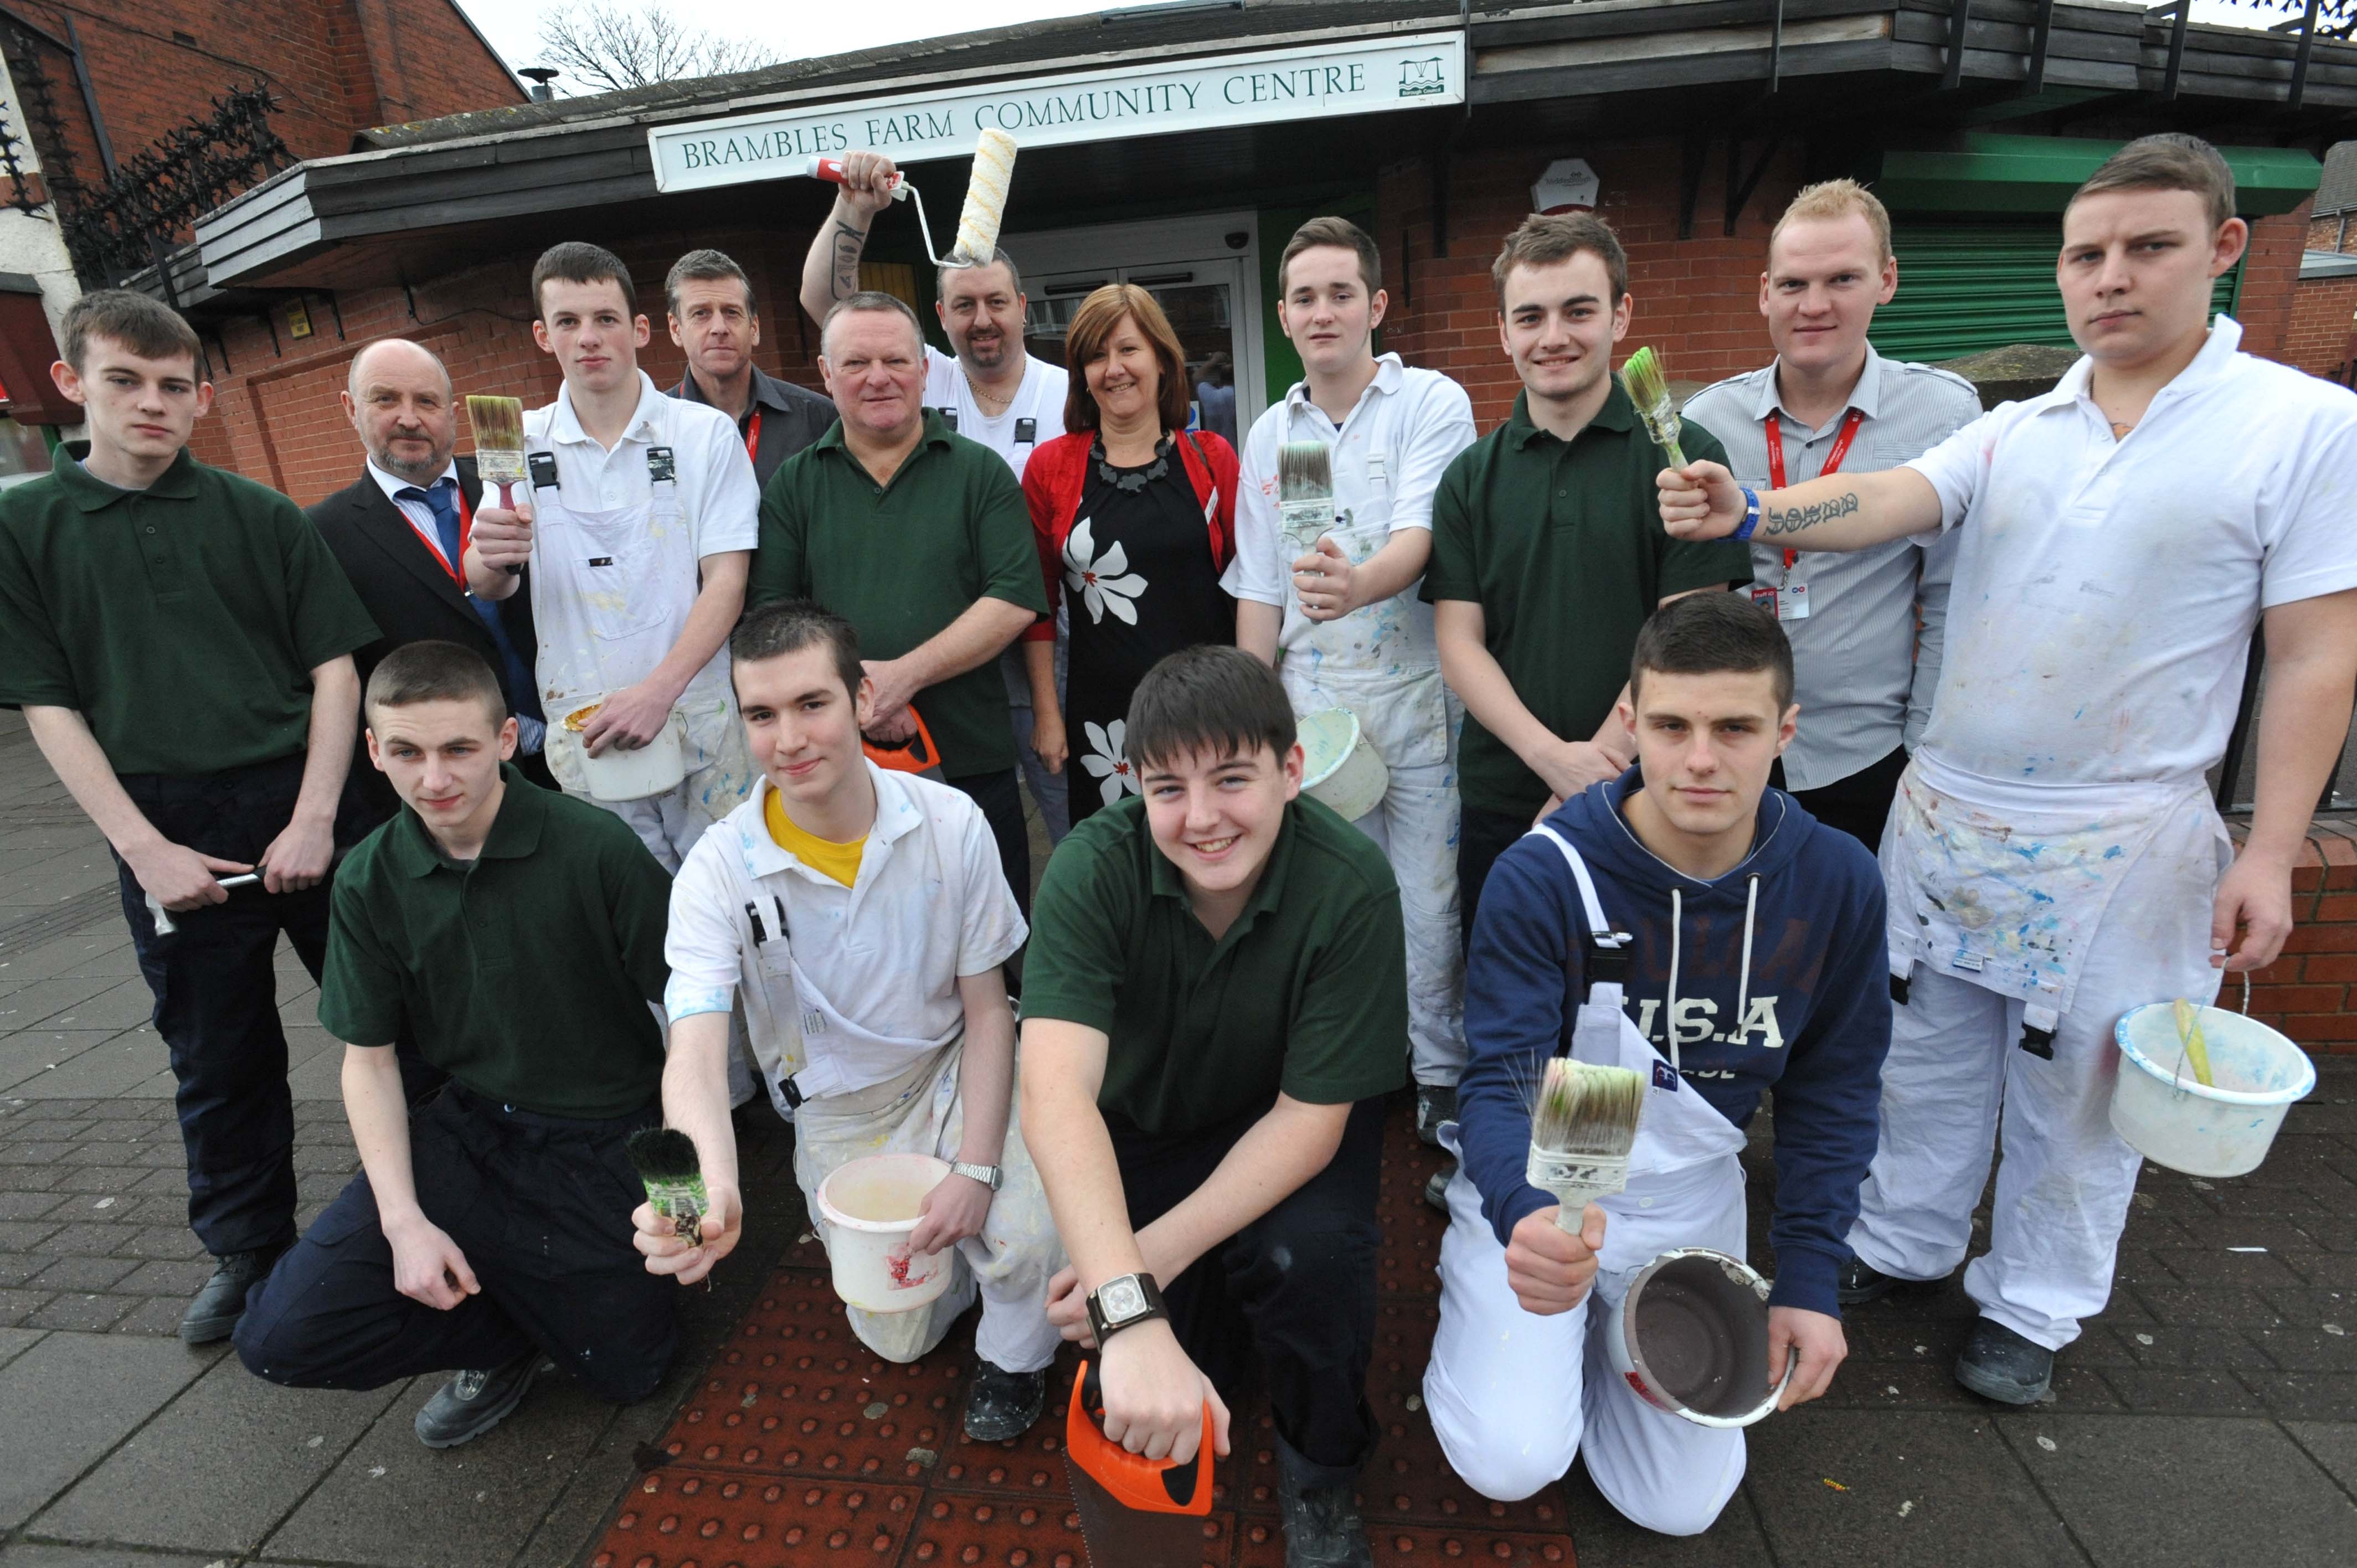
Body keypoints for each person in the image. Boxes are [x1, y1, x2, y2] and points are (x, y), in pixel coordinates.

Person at [1657, 134, 2357, 1405]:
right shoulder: (2017, 428)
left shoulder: (2303, 429)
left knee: (2078, 1089)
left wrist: (2268, 847)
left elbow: (2317, 653)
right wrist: (1753, 512)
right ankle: (1902, 1238)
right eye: (2087, 254)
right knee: (1917, 1058)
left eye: (2149, 247)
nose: (2111, 278)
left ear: (2225, 248)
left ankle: (2034, 1304)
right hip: (1952, 803)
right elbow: (1886, 498)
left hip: (2126, 829)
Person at [1426, 591, 1888, 1536]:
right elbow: (1502, 1078)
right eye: (1672, 725)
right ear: (1631, 723)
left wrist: (1807, 1279)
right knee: (1511, 1460)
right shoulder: (1546, 871)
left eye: (1735, 727)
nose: (1702, 759)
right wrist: (1526, 1219)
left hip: (1687, 1189)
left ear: (1785, 729)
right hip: (1556, 1169)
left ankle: (1598, 1340)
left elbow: (1833, 1091)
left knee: (1679, 1506)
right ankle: (1502, 1303)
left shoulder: (1838, 878)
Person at [0, 290, 375, 1346]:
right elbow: (48, 703)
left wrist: (314, 819)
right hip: (164, 820)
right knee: (217, 1054)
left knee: (397, 1018)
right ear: (74, 384)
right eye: (125, 381)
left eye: (173, 386)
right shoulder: (24, 529)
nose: (151, 404)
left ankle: (444, 1200)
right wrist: (144, 846)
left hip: (301, 796)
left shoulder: (259, 515)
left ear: (204, 399)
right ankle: (249, 1248)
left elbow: (334, 671)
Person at [234, 642, 702, 1448]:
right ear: (374, 751)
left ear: (507, 738)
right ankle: (508, 1337)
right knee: (278, 1339)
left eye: (458, 748)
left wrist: (687, 1207)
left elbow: (697, 1027)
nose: (435, 779)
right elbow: (368, 1061)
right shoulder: (369, 878)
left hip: (605, 1137)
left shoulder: (595, 849)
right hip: (473, 1129)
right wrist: (403, 1222)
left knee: (633, 1374)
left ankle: (548, 1304)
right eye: (407, 753)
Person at [1021, 646, 1407, 1568]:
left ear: (1291, 768)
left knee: (1310, 1265)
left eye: (1232, 779)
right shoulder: (1091, 869)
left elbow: (1310, 1122)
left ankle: (1319, 1467)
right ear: (1136, 787)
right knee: (1157, 1372)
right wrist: (1134, 1306)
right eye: (1167, 789)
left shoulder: (1350, 885)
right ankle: (1208, 1321)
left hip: (1285, 1126)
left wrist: (1132, 1278)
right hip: (1149, 1126)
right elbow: (1052, 1089)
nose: (1201, 819)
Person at [649, 599, 1062, 1440]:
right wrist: (709, 1190)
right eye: (761, 715)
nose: (789, 740)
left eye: (812, 704)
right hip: (840, 1110)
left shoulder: (951, 823)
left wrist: (979, 1169)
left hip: (955, 1066)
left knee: (1024, 1229)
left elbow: (990, 1013)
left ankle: (1018, 1359)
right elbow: (692, 1049)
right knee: (900, 1332)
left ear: (862, 696)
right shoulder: (715, 870)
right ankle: (973, 1268)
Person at [1424, 212, 1752, 943]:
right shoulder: (1470, 480)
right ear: (1503, 331)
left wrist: (1597, 771)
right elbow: (1458, 643)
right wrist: (1553, 763)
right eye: (1530, 317)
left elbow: (1686, 637)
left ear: (1621, 314)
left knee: (1633, 1021)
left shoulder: (1683, 455)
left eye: (1579, 311)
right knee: (1520, 1024)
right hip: (1504, 799)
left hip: (1649, 791)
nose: (1554, 338)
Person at [1227, 215, 1478, 1147]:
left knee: (1426, 896)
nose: (1322, 311)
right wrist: (1252, 722)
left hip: (1414, 696)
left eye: (1341, 293)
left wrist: (1357, 584)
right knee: (1326, 897)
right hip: (1311, 712)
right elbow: (1260, 582)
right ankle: (1350, 1066)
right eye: (1304, 297)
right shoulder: (1272, 431)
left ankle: (1439, 1073)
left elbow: (1420, 536)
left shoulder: (1429, 404)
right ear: (1283, 316)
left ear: (1375, 304)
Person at [1679, 180, 1981, 850]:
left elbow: (1950, 602)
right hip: (1730, 758)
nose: (1813, 306)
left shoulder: (1943, 414)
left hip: (1866, 758)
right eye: (1792, 285)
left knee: (1852, 946)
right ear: (1764, 293)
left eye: (1841, 279)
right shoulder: (1706, 421)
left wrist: (1920, 756)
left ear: (1886, 279)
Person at [800, 152, 1074, 843]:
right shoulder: (925, 380)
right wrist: (854, 208)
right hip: (953, 655)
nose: (981, 320)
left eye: (995, 302)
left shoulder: (1068, 393)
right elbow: (826, 306)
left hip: (1055, 638)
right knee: (961, 835)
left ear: (1021, 305)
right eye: (962, 306)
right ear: (939, 320)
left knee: (1071, 811)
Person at [464, 241, 760, 873]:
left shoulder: (702, 435)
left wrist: (658, 692)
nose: (589, 339)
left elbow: (727, 583)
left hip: (698, 723)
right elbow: (486, 583)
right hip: (584, 733)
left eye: (605, 319)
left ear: (641, 329)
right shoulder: (518, 443)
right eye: (568, 322)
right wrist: (492, 558)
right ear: (544, 336)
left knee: (741, 905)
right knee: (630, 917)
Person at [748, 290, 1048, 912]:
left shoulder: (980, 473)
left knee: (992, 938)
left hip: (970, 756)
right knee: (870, 942)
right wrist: (860, 693)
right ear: (827, 376)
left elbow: (1013, 599)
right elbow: (772, 620)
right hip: (839, 768)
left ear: (923, 369)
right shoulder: (794, 485)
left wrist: (899, 679)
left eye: (894, 360)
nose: (878, 378)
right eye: (856, 364)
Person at [310, 337, 553, 832]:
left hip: (565, 753)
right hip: (443, 790)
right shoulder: (321, 534)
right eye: (385, 399)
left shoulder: (516, 486)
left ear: (455, 413)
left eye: (426, 401)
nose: (409, 418)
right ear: (350, 408)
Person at [1022, 284, 1238, 826]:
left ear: (1162, 361)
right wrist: (1048, 715)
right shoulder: (1050, 468)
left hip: (1209, 709)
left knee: (1210, 846)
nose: (1113, 368)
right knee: (1118, 866)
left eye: (1127, 350)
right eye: (1095, 356)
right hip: (1103, 721)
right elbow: (1037, 607)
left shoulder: (1211, 459)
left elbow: (1251, 588)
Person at [665, 247, 838, 488]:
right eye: (701, 313)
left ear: (755, 328)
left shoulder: (817, 419)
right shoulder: (652, 429)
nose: (719, 327)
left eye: (732, 312)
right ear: (676, 329)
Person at [1195, 349, 1237, 446]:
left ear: (1220, 379)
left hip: (1214, 449)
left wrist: (1214, 361)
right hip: (1236, 448)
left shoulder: (1211, 396)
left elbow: (1197, 377)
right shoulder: (1239, 395)